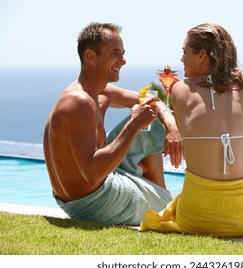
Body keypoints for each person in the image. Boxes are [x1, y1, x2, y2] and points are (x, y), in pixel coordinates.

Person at [141, 23, 243, 237]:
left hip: (197, 216)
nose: (181, 59)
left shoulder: (180, 89)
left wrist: (162, 111)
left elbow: (179, 115)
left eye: (185, 52)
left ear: (202, 55)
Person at [43, 22, 182, 226]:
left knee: (154, 118)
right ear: (90, 56)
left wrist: (172, 126)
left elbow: (152, 101)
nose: (123, 61)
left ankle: (158, 192)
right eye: (115, 54)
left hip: (86, 194)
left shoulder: (99, 93)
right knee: (176, 210)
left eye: (123, 54)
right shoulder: (79, 103)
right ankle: (162, 198)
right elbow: (92, 174)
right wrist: (134, 124)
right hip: (95, 203)